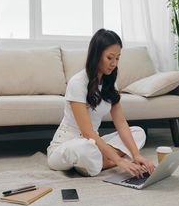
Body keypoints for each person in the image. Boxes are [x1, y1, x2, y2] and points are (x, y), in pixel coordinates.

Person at [47, 29, 155, 177]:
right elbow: (87, 133)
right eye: (110, 58)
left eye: (117, 58)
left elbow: (121, 123)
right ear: (96, 55)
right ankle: (103, 161)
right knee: (85, 147)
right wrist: (119, 161)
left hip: (94, 144)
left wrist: (136, 155)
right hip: (68, 145)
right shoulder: (78, 83)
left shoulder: (110, 83)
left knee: (138, 132)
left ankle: (98, 162)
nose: (114, 63)